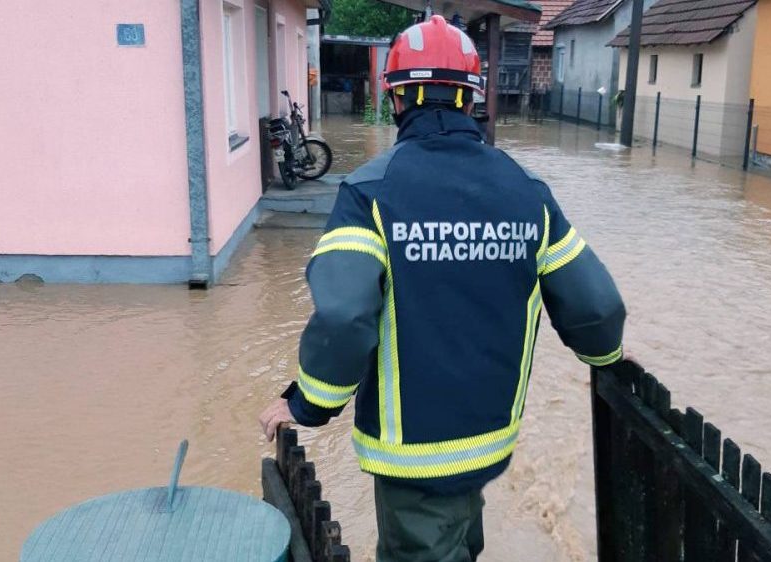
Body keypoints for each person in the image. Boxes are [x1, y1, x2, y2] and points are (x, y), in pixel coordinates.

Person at [260, 14, 626, 561]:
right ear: (471, 98)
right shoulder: (528, 193)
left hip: (412, 457)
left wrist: (308, 402)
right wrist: (608, 359)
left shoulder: (369, 194)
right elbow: (597, 310)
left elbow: (343, 319)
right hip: (488, 443)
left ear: (396, 98)